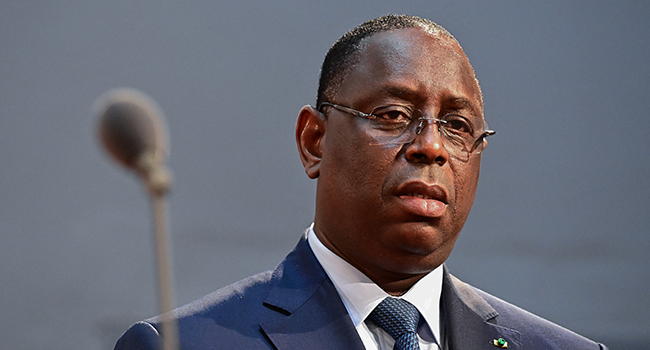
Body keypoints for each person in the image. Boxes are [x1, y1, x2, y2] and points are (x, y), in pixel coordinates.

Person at [114, 14, 608, 350]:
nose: (431, 147)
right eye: (393, 114)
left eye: (457, 126)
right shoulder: (189, 343)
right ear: (314, 141)